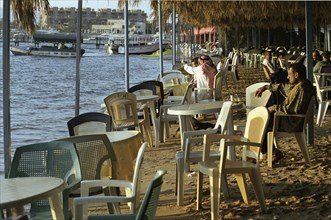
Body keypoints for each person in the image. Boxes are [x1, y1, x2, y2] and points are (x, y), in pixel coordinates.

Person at [255, 63, 314, 163]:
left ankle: (271, 152)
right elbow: (284, 87)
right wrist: (265, 87)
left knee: (261, 123)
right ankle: (269, 151)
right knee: (275, 95)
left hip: (293, 121)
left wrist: (273, 108)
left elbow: (292, 109)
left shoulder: (302, 88)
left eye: (289, 74)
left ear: (296, 75)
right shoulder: (303, 84)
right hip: (293, 119)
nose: (287, 77)